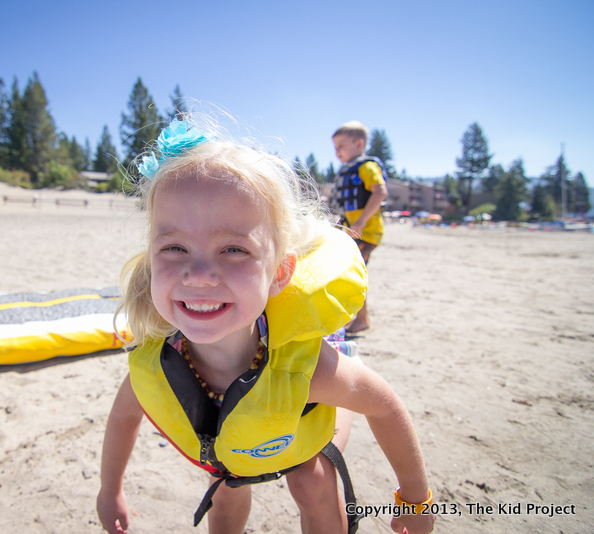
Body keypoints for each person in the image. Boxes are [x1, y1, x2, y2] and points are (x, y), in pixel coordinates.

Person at [97, 117, 433, 534]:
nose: (199, 274)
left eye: (234, 249)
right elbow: (124, 417)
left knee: (310, 481)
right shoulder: (160, 362)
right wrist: (110, 490)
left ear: (278, 273)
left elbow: (385, 405)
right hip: (239, 439)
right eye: (175, 247)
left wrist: (416, 500)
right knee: (226, 485)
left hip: (306, 415)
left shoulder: (310, 368)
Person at [331, 121, 389, 333]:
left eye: (341, 146)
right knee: (350, 271)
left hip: (365, 232)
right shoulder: (348, 170)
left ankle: (361, 319)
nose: (337, 152)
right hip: (352, 230)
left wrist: (361, 222)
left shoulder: (367, 166)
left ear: (359, 143)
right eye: (335, 147)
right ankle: (356, 318)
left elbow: (380, 192)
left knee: (352, 272)